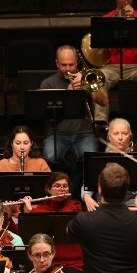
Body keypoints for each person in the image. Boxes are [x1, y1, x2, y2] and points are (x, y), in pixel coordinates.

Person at [39, 45, 106, 197]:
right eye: (64, 65)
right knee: (50, 156)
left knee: (90, 156)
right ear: (57, 63)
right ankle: (62, 193)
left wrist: (89, 87)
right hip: (58, 133)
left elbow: (103, 101)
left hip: (84, 133)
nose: (68, 68)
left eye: (71, 64)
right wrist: (68, 93)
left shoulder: (86, 77)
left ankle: (78, 194)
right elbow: (44, 113)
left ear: (77, 62)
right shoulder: (48, 84)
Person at [20, 172, 84, 273]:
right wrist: (28, 212)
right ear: (49, 189)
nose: (62, 189)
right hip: (47, 263)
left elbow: (61, 216)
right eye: (57, 186)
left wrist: (31, 210)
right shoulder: (40, 208)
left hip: (73, 264)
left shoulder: (75, 206)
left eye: (65, 186)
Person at [81, 118, 135, 211]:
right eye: (116, 133)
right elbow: (87, 184)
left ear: (130, 136)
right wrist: (87, 198)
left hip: (132, 204)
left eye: (124, 133)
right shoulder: (99, 158)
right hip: (105, 205)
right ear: (109, 137)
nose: (120, 137)